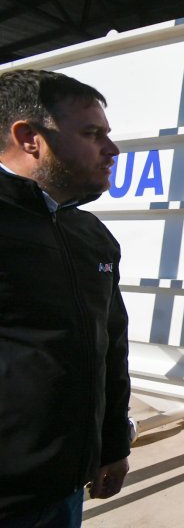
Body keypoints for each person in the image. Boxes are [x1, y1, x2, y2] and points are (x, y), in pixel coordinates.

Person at [0, 69, 130, 526]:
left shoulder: (92, 236)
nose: (111, 150)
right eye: (92, 134)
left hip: (63, 489)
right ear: (29, 138)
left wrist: (112, 445)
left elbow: (110, 347)